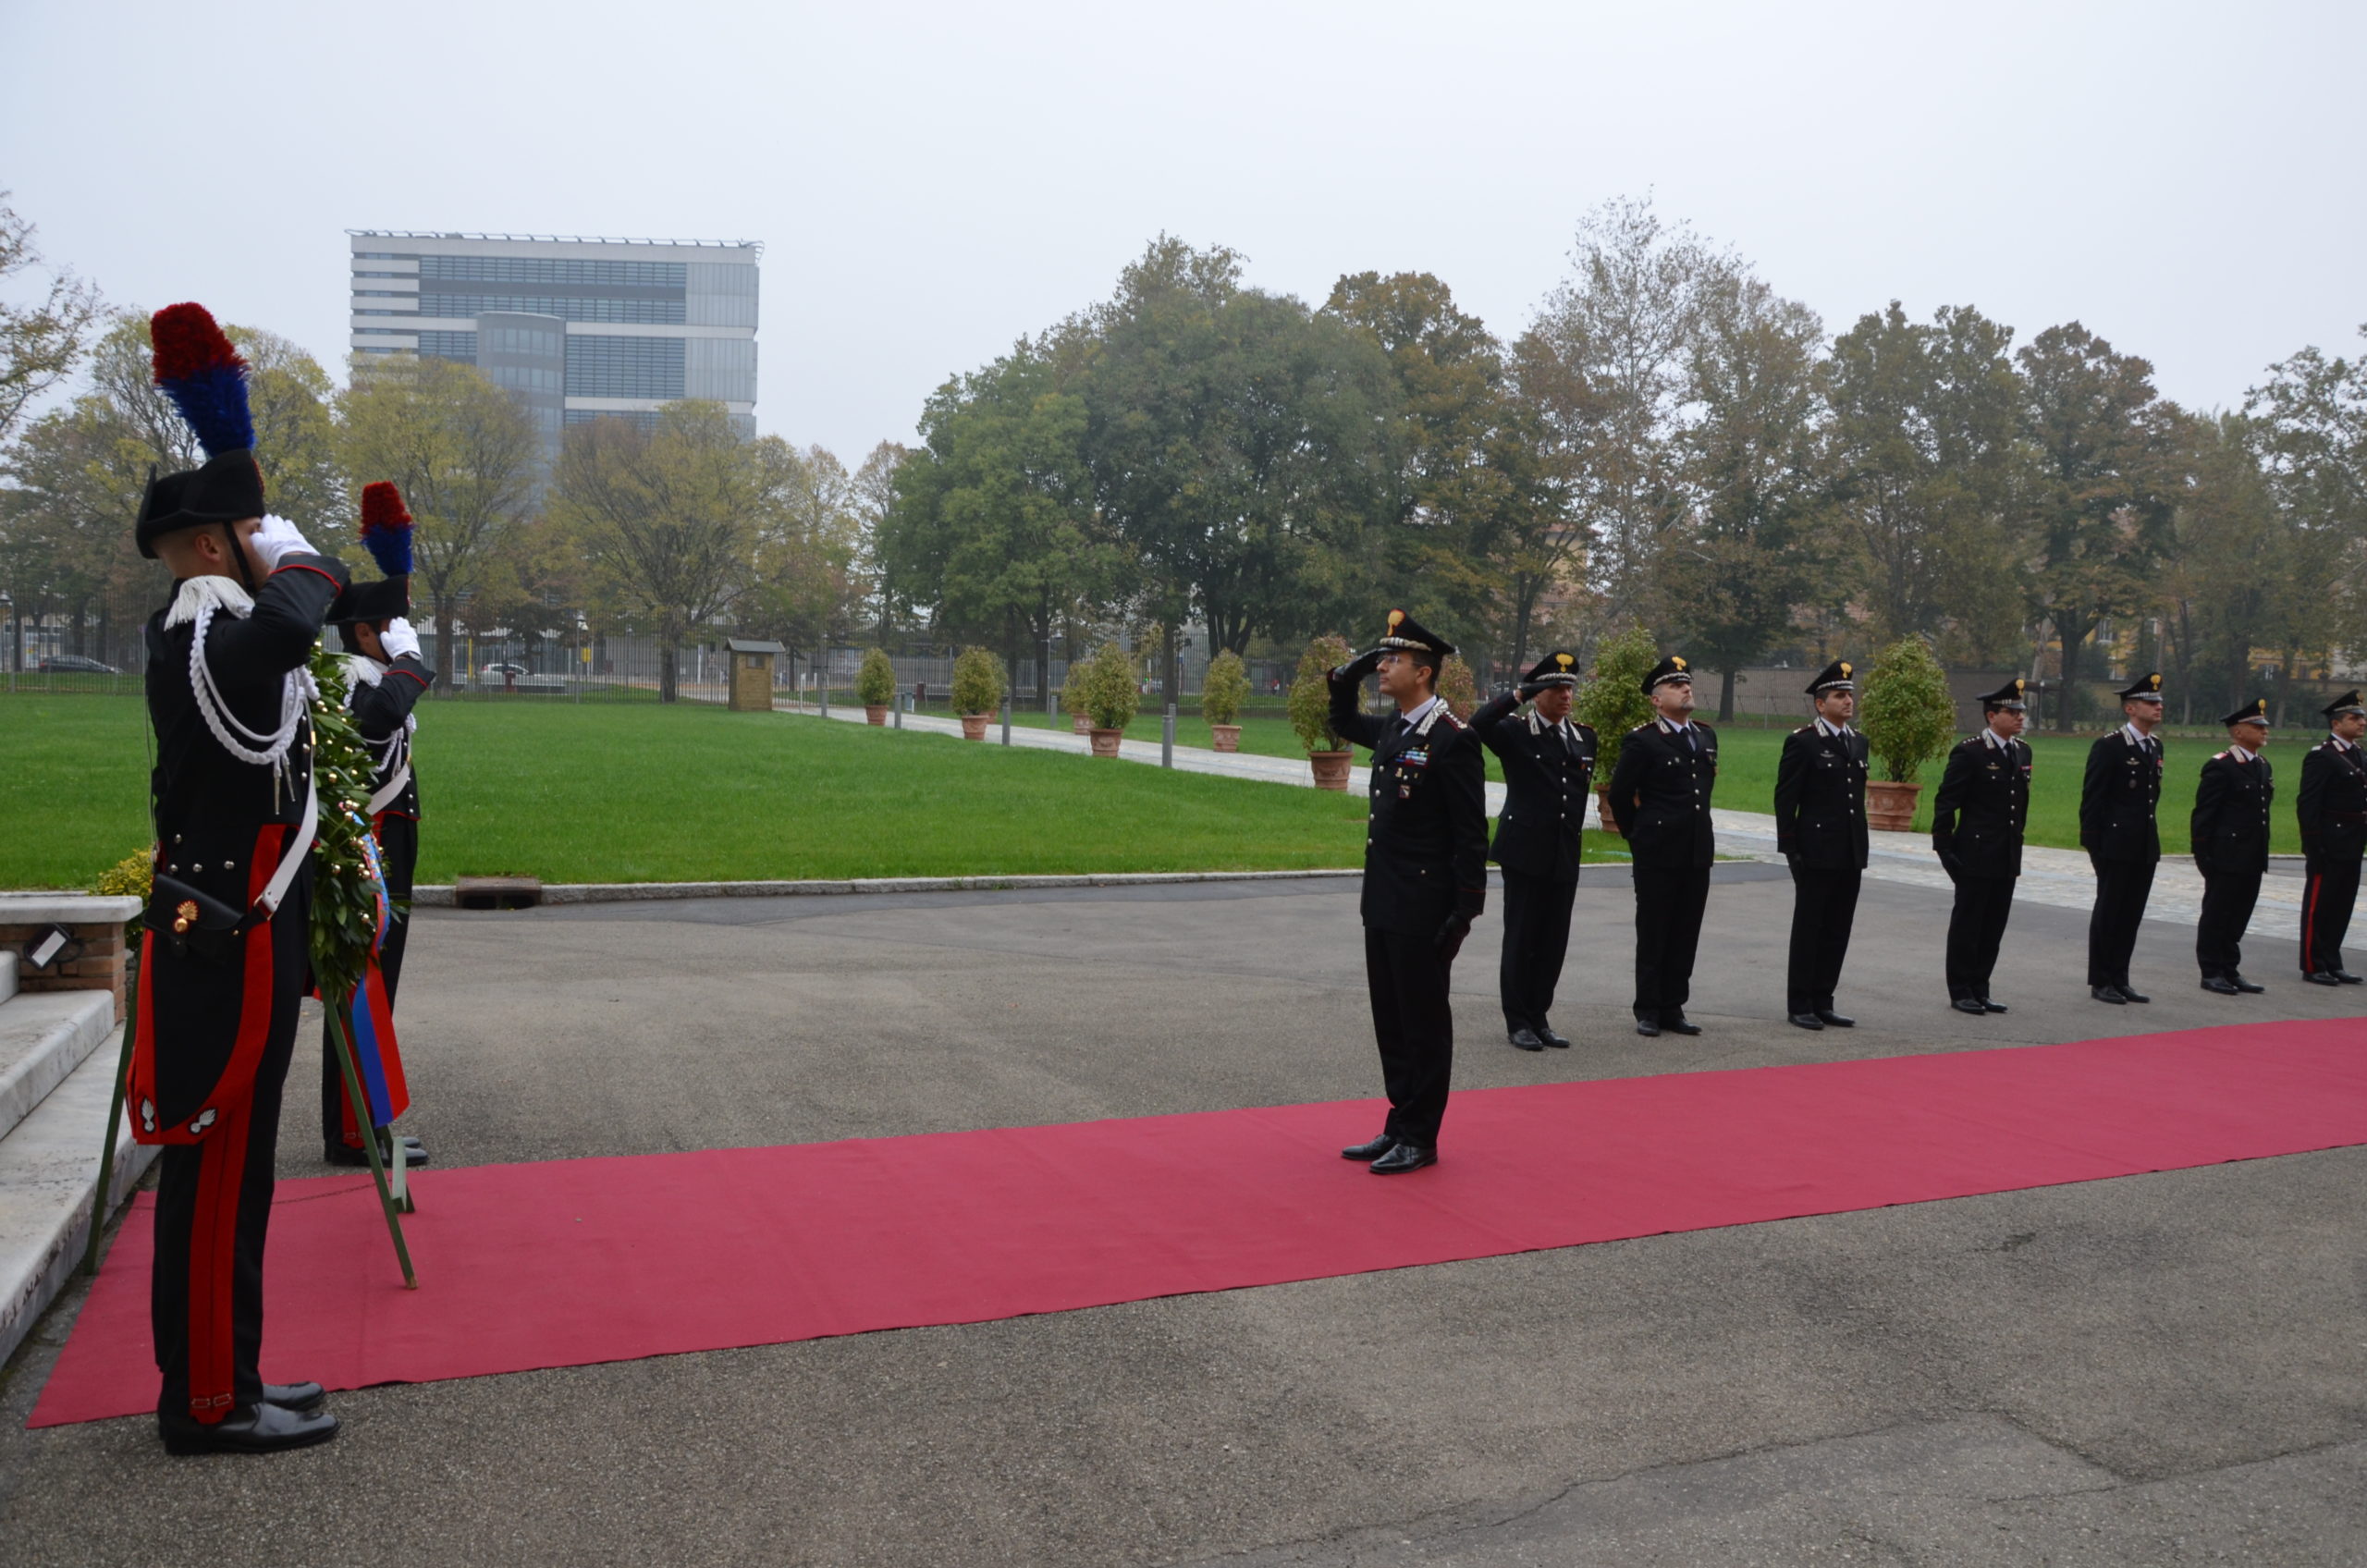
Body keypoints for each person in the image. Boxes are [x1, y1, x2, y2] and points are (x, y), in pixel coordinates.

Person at [129, 303, 347, 1453]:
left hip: (232, 928)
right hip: (228, 940)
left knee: (237, 1173)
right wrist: (294, 552)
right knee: (218, 1178)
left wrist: (271, 544)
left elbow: (298, 629)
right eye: (251, 530)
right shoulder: (211, 638)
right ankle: (209, 1401)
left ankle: (230, 1372)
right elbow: (307, 607)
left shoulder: (205, 633)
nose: (268, 545)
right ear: (218, 548)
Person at [1324, 610, 1487, 1173]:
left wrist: (1464, 911)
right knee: (1392, 1021)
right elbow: (1343, 719)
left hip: (1424, 907)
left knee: (1423, 1023)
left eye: (1392, 660)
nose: (1383, 667)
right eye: (1381, 659)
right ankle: (1400, 1122)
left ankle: (1421, 1135)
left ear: (1423, 672)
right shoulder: (1396, 728)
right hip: (1384, 901)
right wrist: (1349, 673)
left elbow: (1471, 834)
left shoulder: (1452, 739)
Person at [321, 482, 435, 1167]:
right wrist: (412, 661)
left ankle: (365, 1121)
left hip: (390, 839)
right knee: (362, 986)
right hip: (369, 844)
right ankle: (351, 1132)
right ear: (365, 631)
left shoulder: (369, 674)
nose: (399, 634)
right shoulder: (352, 680)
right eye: (391, 624)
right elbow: (378, 721)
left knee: (377, 987)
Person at [1468, 652, 1594, 1050]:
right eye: (1556, 688)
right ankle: (1518, 1020)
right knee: (1522, 938)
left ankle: (1540, 1015)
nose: (1565, 695)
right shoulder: (1515, 731)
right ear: (1539, 693)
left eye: (1569, 688)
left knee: (1554, 940)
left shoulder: (1584, 737)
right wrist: (1518, 694)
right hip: (1524, 851)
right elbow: (1477, 725)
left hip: (1564, 852)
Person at [1606, 655, 1716, 1037]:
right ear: (1656, 700)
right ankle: (1649, 1008)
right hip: (1657, 850)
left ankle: (1673, 1006)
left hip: (1696, 850)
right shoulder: (1643, 740)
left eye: (1687, 683)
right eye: (1675, 685)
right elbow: (1619, 795)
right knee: (1654, 930)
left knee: (1686, 931)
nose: (1685, 689)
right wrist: (1637, 836)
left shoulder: (1705, 736)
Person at [1772, 660, 1869, 1030]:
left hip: (1850, 851)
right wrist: (1790, 849)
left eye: (1850, 695)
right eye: (1840, 695)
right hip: (1815, 850)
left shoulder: (1858, 742)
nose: (1848, 701)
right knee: (1810, 929)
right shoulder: (1804, 742)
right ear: (1820, 703)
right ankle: (1800, 1003)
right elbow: (1786, 799)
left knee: (1838, 929)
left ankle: (1824, 999)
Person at [1931, 678, 2032, 1014]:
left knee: (1993, 926)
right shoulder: (1971, 751)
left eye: (2020, 711)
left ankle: (1981, 987)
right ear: (1991, 716)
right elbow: (1947, 802)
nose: (2019, 717)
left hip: (2006, 853)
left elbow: (2020, 804)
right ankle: (1961, 989)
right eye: (2011, 711)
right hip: (1974, 853)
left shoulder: (2022, 751)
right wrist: (1945, 849)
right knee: (1968, 925)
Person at [2080, 672, 2167, 1004]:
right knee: (2109, 912)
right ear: (2130, 708)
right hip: (2114, 844)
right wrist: (2094, 845)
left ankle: (2120, 977)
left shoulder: (2154, 746)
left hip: (2143, 844)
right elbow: (2093, 799)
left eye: (2159, 702)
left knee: (2131, 914)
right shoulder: (2110, 746)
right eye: (2150, 702)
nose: (2158, 707)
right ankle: (2101, 980)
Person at [2191, 699, 2275, 995]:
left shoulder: (2262, 765)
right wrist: (2203, 855)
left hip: (2252, 854)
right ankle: (2211, 970)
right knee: (2218, 914)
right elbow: (2204, 815)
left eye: (2264, 726)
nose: (2264, 731)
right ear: (2238, 731)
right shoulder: (2221, 766)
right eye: (2257, 727)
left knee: (2239, 914)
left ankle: (2230, 968)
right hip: (2226, 855)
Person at [2298, 690, 2367, 985]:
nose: (2362, 723)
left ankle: (2332, 959)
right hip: (2329, 842)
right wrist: (2313, 845)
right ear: (2336, 724)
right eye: (2355, 718)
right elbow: (2308, 803)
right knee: (2320, 905)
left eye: (2362, 718)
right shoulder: (2322, 756)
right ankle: (2313, 963)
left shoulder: (2358, 754)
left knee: (2341, 905)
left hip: (2352, 841)